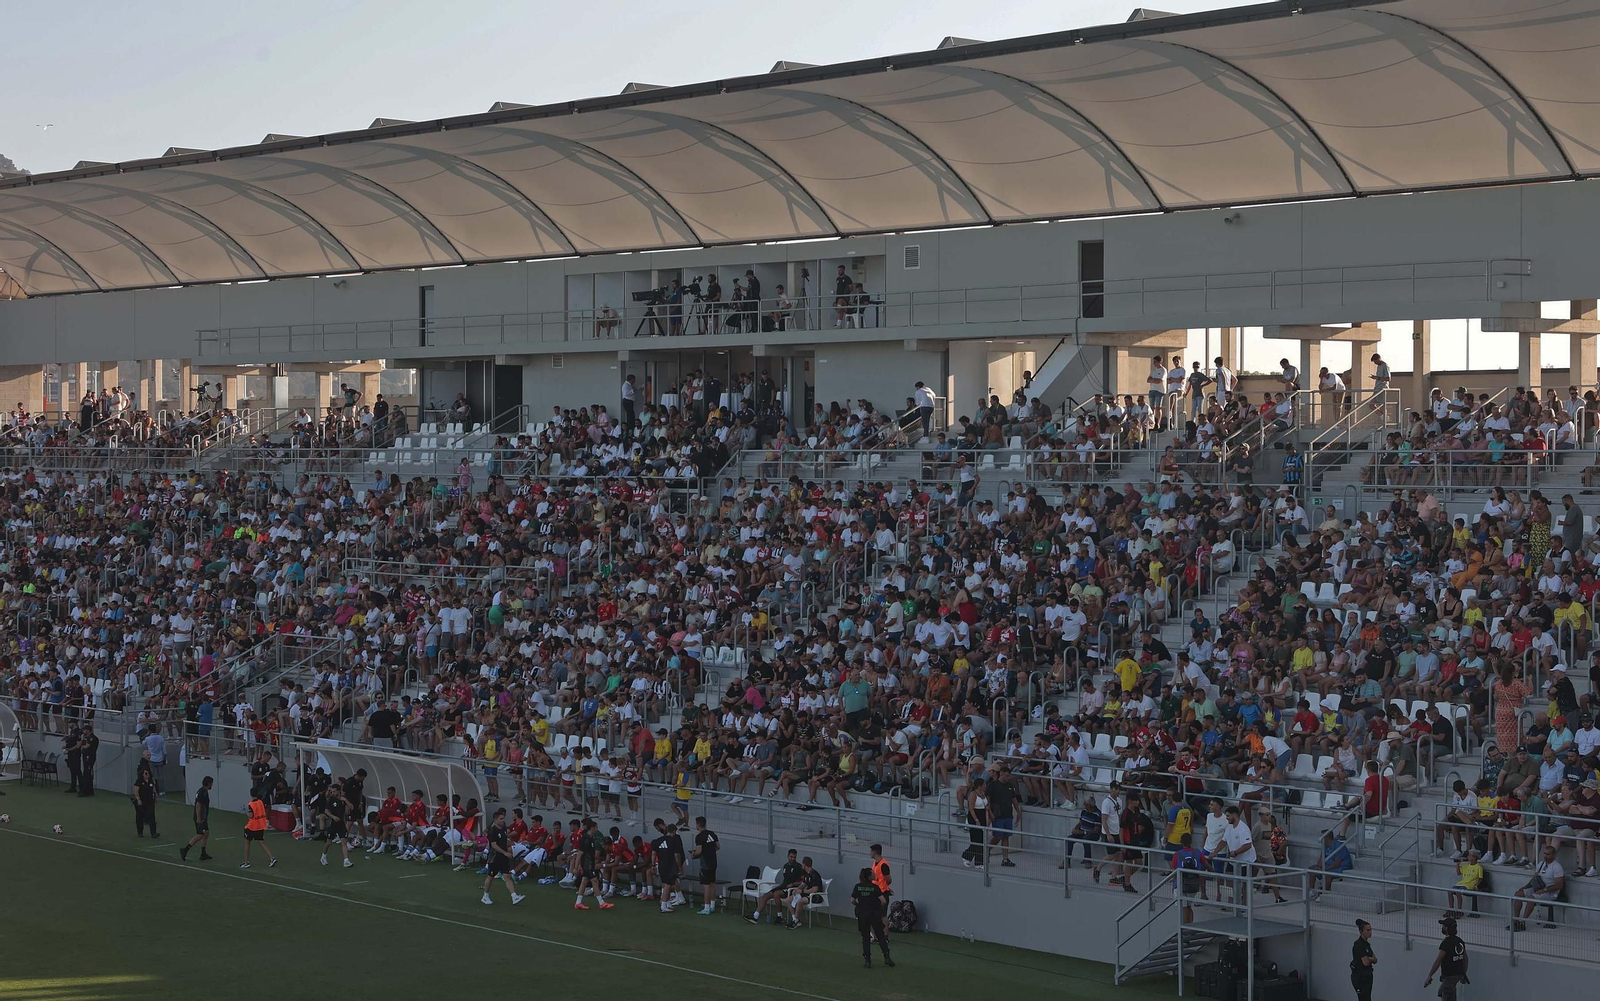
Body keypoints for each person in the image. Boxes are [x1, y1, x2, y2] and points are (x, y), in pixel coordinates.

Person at [851, 867, 895, 968]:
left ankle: (867, 960)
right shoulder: (875, 888)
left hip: (862, 915)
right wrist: (878, 905)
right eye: (873, 873)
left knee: (865, 938)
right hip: (874, 915)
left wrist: (860, 904)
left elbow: (852, 900)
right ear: (869, 876)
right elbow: (883, 901)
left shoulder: (857, 887)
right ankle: (887, 957)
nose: (875, 874)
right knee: (880, 936)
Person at [481, 808, 526, 906]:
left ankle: (514, 896)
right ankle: (485, 895)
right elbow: (494, 845)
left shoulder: (504, 829)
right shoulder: (493, 831)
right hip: (495, 858)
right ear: (496, 820)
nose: (503, 820)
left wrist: (511, 844)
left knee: (507, 876)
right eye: (501, 819)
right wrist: (504, 852)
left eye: (503, 818)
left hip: (503, 858)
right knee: (490, 877)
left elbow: (504, 841)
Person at [1423, 915, 1469, 1000]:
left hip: (1449, 977)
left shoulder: (1446, 943)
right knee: (1441, 992)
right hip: (1457, 975)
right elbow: (1465, 958)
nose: (1442, 927)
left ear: (1447, 928)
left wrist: (1430, 975)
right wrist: (1464, 973)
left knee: (1447, 993)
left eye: (1443, 926)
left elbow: (1438, 961)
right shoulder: (1460, 941)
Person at [319, 782, 354, 869]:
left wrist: (345, 801)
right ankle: (323, 856)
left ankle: (346, 861)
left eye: (334, 791)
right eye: (332, 791)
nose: (332, 793)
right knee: (329, 842)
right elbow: (326, 811)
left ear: (339, 791)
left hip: (341, 823)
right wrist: (333, 817)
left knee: (344, 842)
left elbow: (352, 807)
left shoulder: (344, 799)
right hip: (333, 824)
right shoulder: (331, 799)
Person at [180, 775, 214, 862]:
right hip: (201, 817)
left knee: (206, 833)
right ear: (209, 783)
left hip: (203, 817)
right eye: (211, 784)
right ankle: (185, 849)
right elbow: (198, 805)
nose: (212, 786)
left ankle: (203, 853)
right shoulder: (203, 792)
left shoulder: (202, 791)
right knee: (200, 835)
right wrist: (199, 818)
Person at [242, 791, 277, 869]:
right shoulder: (260, 802)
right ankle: (272, 858)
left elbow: (251, 816)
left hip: (252, 827)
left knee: (247, 843)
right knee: (262, 842)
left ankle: (246, 862)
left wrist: (246, 813)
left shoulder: (251, 804)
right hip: (260, 825)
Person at [692, 816, 720, 915]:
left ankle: (706, 907)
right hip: (713, 862)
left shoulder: (699, 837)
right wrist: (710, 851)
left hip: (705, 864)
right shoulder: (712, 834)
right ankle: (712, 905)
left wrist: (694, 854)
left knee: (706, 886)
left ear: (698, 824)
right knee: (712, 884)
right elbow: (718, 846)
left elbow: (699, 851)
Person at [1351, 918, 1376, 1001]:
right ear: (1361, 931)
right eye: (1368, 930)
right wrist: (1370, 959)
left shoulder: (1367, 944)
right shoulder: (1358, 945)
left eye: (1371, 930)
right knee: (1363, 999)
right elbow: (1365, 963)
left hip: (1367, 976)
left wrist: (1370, 958)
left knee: (1368, 998)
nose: (1370, 932)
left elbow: (1375, 959)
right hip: (1360, 977)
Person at [132, 761, 158, 839]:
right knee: (140, 816)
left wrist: (156, 796)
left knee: (151, 816)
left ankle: (154, 833)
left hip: (150, 801)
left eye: (148, 773)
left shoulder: (150, 781)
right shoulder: (139, 782)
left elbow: (153, 789)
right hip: (142, 801)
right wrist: (138, 799)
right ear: (142, 774)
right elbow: (136, 791)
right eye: (146, 773)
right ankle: (140, 832)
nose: (147, 775)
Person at [76, 720, 99, 797]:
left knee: (87, 773)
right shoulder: (85, 737)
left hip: (90, 757)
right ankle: (88, 790)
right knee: (86, 773)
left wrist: (82, 746)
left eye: (85, 730)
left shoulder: (92, 738)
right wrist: (82, 740)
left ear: (88, 730)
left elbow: (86, 746)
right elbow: (79, 746)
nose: (83, 731)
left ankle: (87, 791)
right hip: (85, 757)